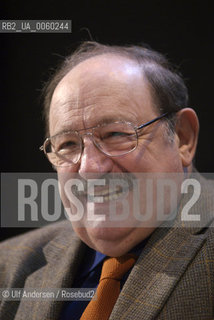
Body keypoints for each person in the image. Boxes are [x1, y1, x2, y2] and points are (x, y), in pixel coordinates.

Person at [0, 41, 213, 320]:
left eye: (115, 134)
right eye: (67, 145)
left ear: (183, 137)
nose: (90, 169)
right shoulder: (9, 264)